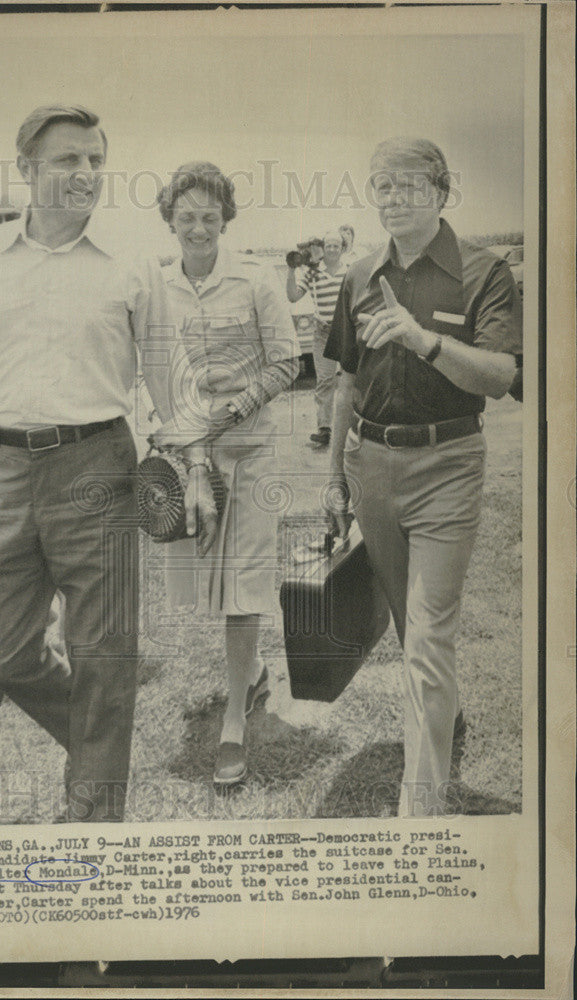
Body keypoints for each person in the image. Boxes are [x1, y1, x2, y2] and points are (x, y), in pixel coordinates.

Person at [0, 105, 215, 823]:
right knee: (1, 655)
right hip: (0, 472)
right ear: (27, 170)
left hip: (99, 467)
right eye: (68, 160)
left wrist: (193, 469)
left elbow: (173, 383)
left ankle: (94, 816)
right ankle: (100, 750)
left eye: (95, 160)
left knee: (103, 655)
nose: (86, 174)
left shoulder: (133, 266)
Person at [324, 137, 522, 817]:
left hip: (447, 463)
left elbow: (500, 377)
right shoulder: (355, 277)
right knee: (413, 631)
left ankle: (420, 812)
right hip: (370, 466)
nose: (393, 197)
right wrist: (332, 478)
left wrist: (422, 338)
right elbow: (345, 382)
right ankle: (446, 713)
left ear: (442, 191)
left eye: (409, 184)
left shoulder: (483, 271)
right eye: (381, 185)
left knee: (429, 631)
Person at [156, 161, 301, 786]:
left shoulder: (256, 277)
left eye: (209, 217)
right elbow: (155, 370)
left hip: (251, 455)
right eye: (186, 216)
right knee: (208, 591)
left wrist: (237, 402)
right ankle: (255, 673)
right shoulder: (158, 287)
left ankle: (234, 724)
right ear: (170, 220)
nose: (198, 227)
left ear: (226, 219)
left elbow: (290, 361)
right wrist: (188, 436)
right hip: (192, 461)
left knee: (243, 590)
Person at [286, 231, 347, 448]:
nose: (332, 249)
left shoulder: (349, 271)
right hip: (322, 333)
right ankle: (324, 429)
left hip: (346, 331)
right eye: (328, 245)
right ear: (323, 248)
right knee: (325, 381)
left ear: (342, 249)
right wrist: (291, 270)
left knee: (353, 379)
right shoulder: (312, 273)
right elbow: (293, 296)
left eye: (336, 246)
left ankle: (355, 427)